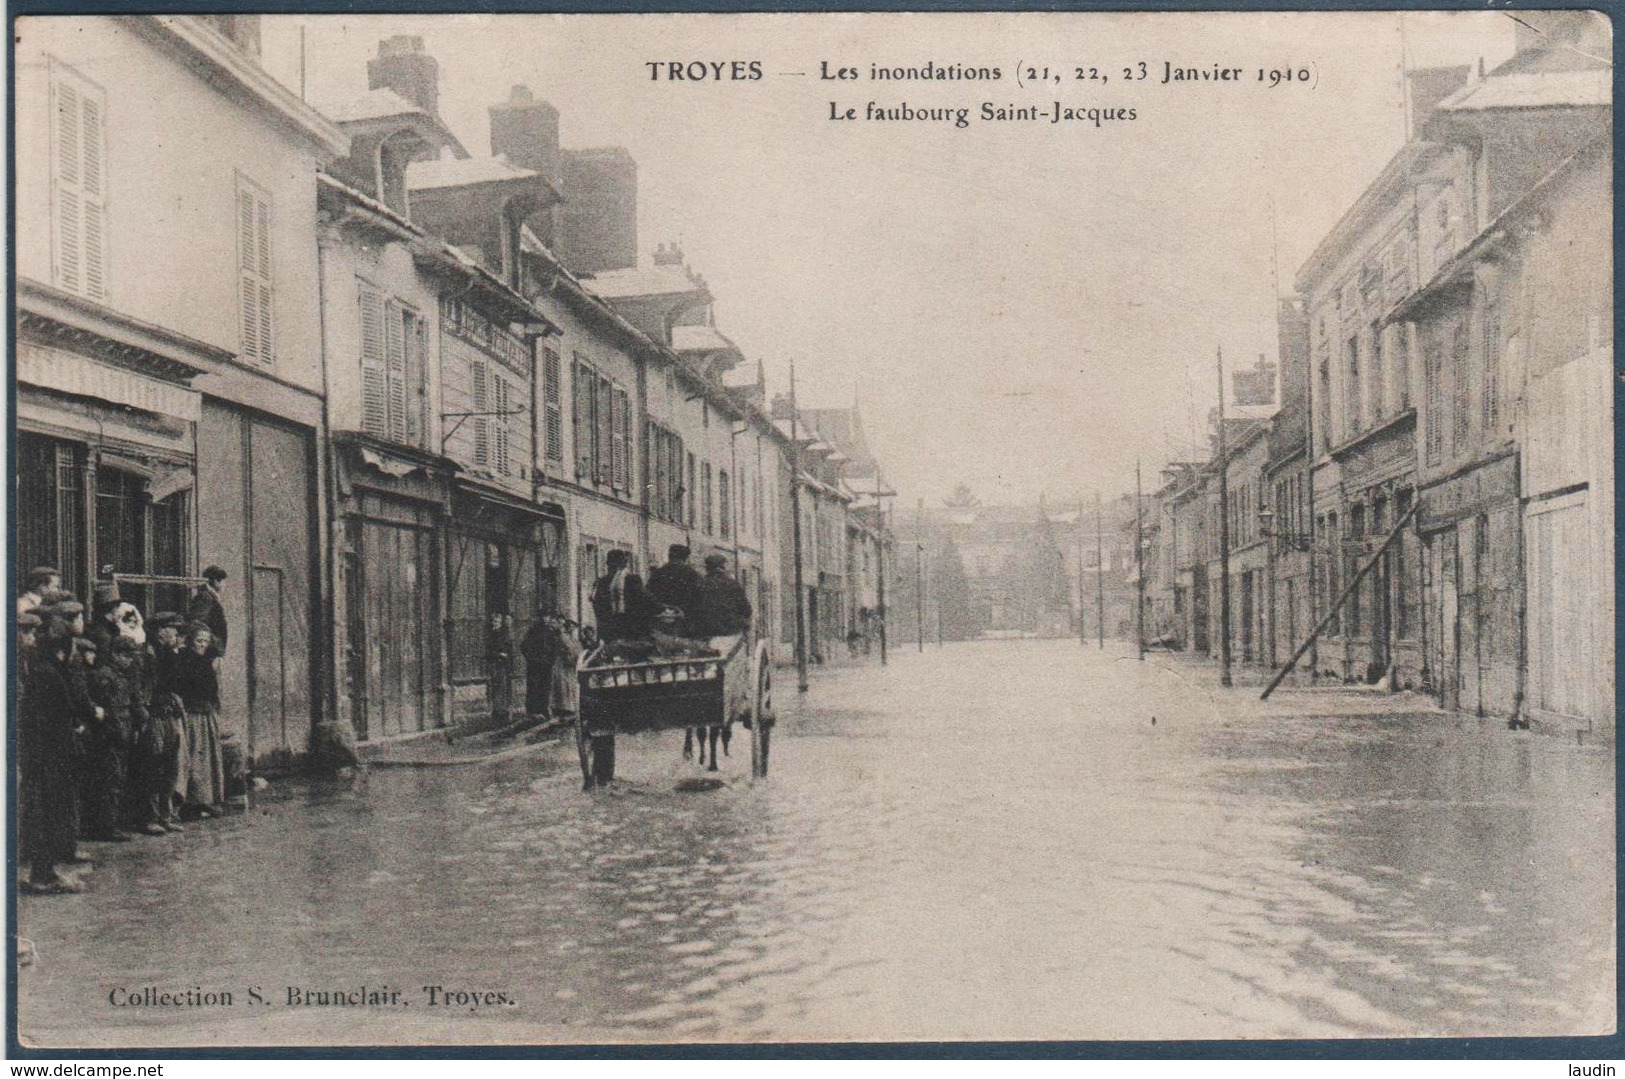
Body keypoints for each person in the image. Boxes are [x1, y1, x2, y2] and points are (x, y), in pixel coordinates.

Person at [20, 605, 93, 893]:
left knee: (40, 811)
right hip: (48, 754)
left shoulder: (36, 667)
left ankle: (44, 872)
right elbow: (57, 715)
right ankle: (43, 876)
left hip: (39, 752)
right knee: (46, 812)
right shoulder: (47, 673)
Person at [85, 637, 154, 838]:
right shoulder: (105, 676)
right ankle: (105, 826)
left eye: (131, 656)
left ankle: (112, 823)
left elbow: (133, 703)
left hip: (122, 732)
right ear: (114, 654)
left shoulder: (124, 676)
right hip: (110, 735)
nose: (128, 660)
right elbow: (108, 710)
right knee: (110, 779)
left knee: (118, 778)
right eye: (125, 655)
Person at [170, 623, 226, 818]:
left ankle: (206, 800)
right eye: (199, 641)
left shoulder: (206, 662)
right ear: (190, 641)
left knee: (208, 759)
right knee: (193, 757)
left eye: (205, 641)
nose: (202, 645)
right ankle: (191, 801)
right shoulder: (184, 661)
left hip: (207, 715)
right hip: (192, 716)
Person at [145, 612, 189, 829]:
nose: (177, 634)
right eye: (172, 629)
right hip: (156, 714)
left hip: (171, 714)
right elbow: (150, 686)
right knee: (154, 764)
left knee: (171, 766)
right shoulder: (152, 655)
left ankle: (166, 815)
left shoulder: (173, 655)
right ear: (161, 631)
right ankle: (152, 817)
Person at [589, 550, 658, 642]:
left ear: (607, 564)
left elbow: (596, 606)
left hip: (606, 633)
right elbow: (647, 601)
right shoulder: (632, 580)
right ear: (624, 563)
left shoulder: (600, 582)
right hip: (628, 632)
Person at [693, 553, 753, 639]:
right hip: (730, 631)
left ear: (707, 569)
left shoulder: (700, 584)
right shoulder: (733, 584)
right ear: (723, 567)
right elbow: (746, 610)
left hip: (705, 631)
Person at [648, 544, 703, 632]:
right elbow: (699, 598)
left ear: (670, 556)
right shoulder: (693, 574)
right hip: (685, 619)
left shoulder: (657, 573)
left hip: (662, 617)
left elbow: (649, 595)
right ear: (685, 558)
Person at [187, 566, 229, 657]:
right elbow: (196, 622)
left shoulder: (211, 597)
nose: (224, 585)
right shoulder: (205, 597)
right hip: (208, 651)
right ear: (216, 581)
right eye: (223, 582)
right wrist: (215, 643)